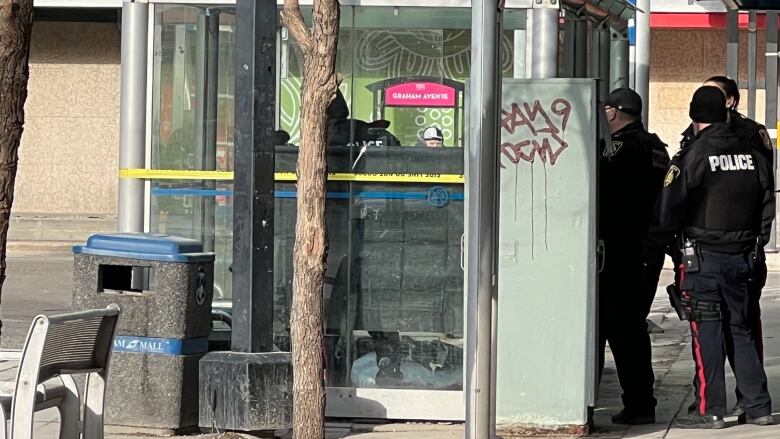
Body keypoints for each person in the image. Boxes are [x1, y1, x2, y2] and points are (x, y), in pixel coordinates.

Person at [647, 86, 774, 429]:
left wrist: (658, 248)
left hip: (703, 259)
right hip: (743, 257)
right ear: (725, 112)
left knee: (708, 333)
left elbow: (667, 211)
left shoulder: (693, 156)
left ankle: (711, 408)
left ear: (694, 115)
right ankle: (759, 406)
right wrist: (756, 243)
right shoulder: (753, 154)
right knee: (743, 330)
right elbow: (766, 206)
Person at [680, 76, 774, 417]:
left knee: (723, 327)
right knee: (736, 327)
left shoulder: (749, 136)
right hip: (733, 250)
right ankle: (751, 404)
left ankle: (716, 406)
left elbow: (675, 200)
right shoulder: (701, 140)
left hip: (721, 251)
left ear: (731, 101)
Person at [598, 88, 669, 425]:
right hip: (647, 251)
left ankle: (637, 404)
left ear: (612, 112)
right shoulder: (656, 147)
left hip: (621, 251)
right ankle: (641, 401)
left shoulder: (621, 150)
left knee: (618, 330)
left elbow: (607, 199)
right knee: (632, 330)